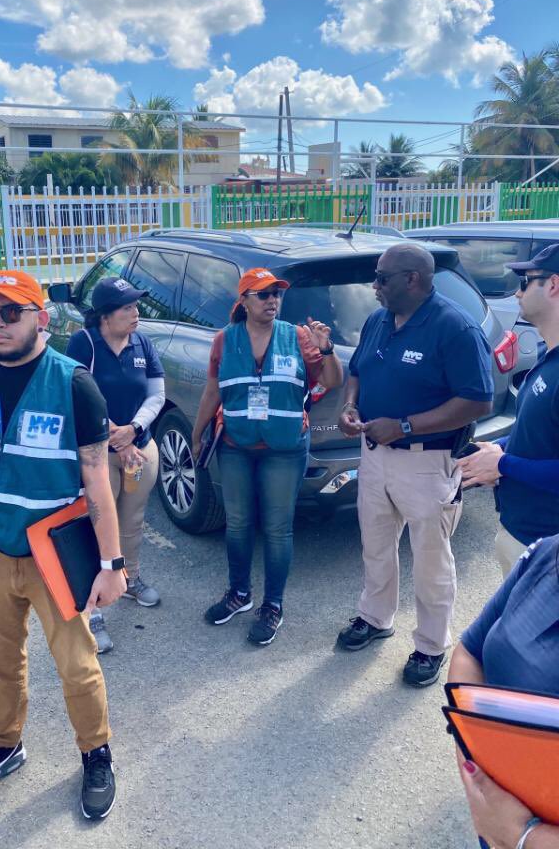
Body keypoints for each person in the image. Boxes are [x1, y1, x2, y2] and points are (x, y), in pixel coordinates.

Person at [0, 270, 126, 820]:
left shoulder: (73, 383)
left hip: (54, 560)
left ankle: (96, 752)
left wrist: (111, 563)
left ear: (41, 318)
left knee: (77, 665)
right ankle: (2, 745)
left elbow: (97, 476)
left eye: (10, 312)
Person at [336, 243, 494, 687]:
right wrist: (349, 406)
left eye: (382, 278)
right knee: (376, 544)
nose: (374, 285)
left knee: (430, 559)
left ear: (413, 279)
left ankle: (430, 645)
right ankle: (375, 617)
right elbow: (357, 372)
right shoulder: (378, 320)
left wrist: (404, 426)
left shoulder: (455, 327)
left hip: (427, 461)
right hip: (374, 456)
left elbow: (477, 401)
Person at [192, 267, 343, 646]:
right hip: (236, 445)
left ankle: (273, 605)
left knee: (277, 528)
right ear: (244, 301)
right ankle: (239, 594)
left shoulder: (298, 337)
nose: (272, 300)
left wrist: (326, 349)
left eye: (277, 293)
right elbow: (212, 391)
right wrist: (197, 433)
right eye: (263, 294)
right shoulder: (224, 341)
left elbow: (332, 381)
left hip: (285, 448)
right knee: (238, 523)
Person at [66, 277, 165, 653]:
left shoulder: (142, 343)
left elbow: (157, 394)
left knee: (132, 521)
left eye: (136, 306)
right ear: (105, 315)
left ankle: (130, 579)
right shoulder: (84, 343)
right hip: (99, 455)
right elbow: (80, 397)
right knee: (98, 527)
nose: (136, 313)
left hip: (139, 449)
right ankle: (91, 609)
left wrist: (133, 430)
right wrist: (116, 438)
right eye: (127, 307)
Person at [448, 536, 559, 847]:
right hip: (496, 812)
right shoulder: (547, 552)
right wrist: (475, 774)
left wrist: (522, 836)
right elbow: (469, 652)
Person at [459, 244, 559, 577]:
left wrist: (503, 464)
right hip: (522, 534)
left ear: (553, 285)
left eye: (525, 282)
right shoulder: (548, 354)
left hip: (546, 549)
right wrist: (496, 450)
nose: (517, 293)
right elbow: (541, 435)